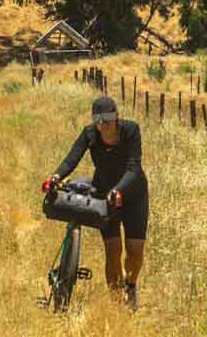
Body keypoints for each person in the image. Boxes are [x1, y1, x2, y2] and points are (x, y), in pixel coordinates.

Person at [41, 94, 147, 308]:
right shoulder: (89, 134)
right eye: (98, 120)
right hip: (105, 198)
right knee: (113, 250)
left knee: (134, 251)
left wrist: (118, 189)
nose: (102, 125)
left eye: (107, 120)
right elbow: (72, 157)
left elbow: (134, 166)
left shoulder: (131, 130)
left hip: (133, 194)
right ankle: (117, 306)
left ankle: (131, 285)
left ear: (116, 117)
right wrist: (55, 177)